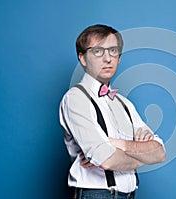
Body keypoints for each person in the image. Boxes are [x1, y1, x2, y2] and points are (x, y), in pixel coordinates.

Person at [59, 24, 166, 199]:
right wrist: (143, 156)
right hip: (97, 195)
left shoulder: (125, 104)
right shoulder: (76, 99)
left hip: (130, 195)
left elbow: (160, 153)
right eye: (98, 52)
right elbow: (106, 160)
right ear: (83, 58)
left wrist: (117, 144)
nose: (108, 58)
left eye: (113, 51)